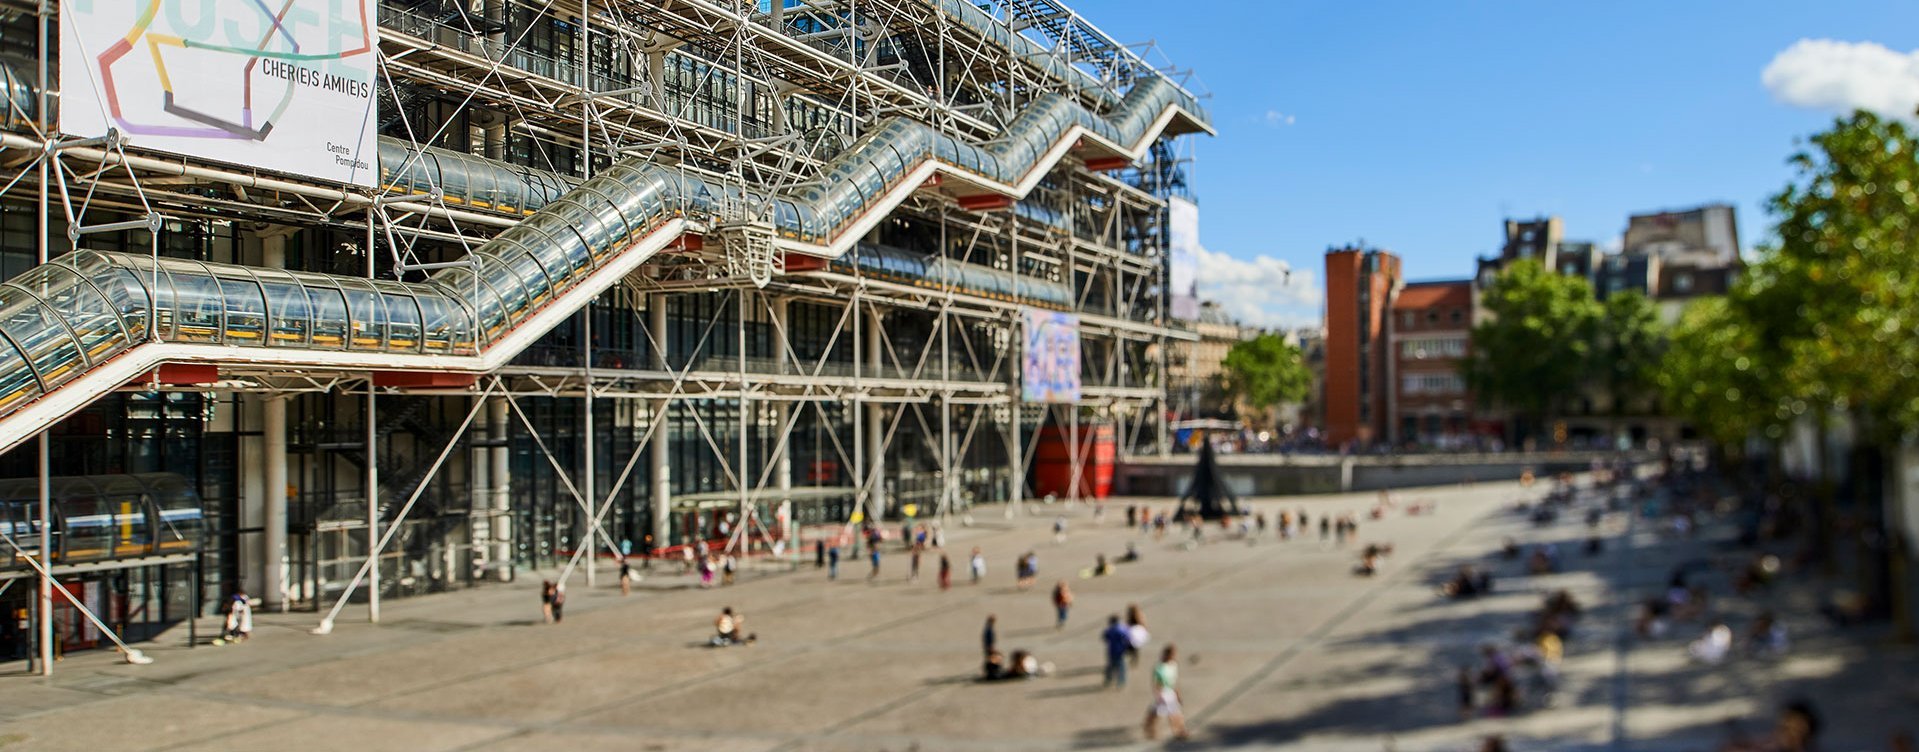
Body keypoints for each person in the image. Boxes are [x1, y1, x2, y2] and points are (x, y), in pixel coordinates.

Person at [1143, 644, 1188, 741]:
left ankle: (1149, 728)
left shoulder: (1173, 665)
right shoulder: (1159, 667)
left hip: (1170, 691)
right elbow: (1156, 683)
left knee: (1160, 712)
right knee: (1171, 712)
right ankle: (1179, 731)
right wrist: (1159, 694)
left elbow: (1174, 681)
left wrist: (1177, 694)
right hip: (1163, 692)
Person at [1101, 615, 1132, 688]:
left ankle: (1108, 679)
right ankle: (1121, 681)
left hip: (1111, 650)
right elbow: (1127, 638)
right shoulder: (1122, 629)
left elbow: (1105, 637)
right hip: (1120, 651)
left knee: (1110, 666)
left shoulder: (1110, 630)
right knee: (1121, 667)